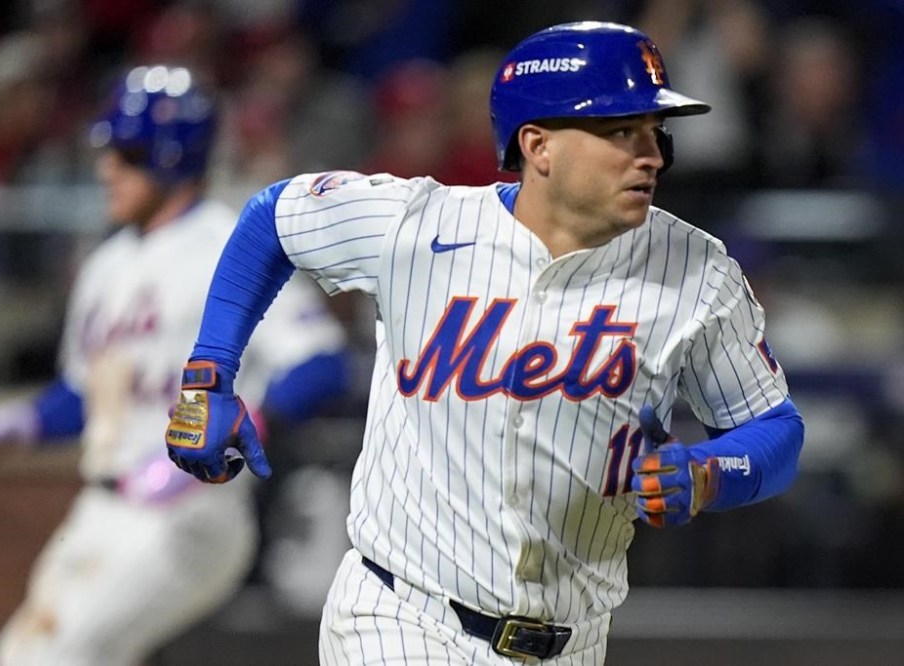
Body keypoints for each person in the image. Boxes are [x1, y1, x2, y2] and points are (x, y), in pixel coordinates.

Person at [165, 22, 805, 665]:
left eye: (654, 131)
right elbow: (273, 218)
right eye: (621, 133)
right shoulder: (419, 225)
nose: (653, 155)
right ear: (539, 146)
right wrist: (208, 376)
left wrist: (708, 475)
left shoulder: (695, 269)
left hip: (572, 641)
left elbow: (775, 429)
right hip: (401, 617)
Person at [0, 64, 350, 665]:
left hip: (191, 508)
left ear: (171, 156)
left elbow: (321, 364)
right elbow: (91, 392)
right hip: (102, 502)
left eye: (126, 153)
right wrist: (19, 423)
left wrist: (242, 428)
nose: (107, 167)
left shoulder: (229, 243)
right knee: (21, 651)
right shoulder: (106, 263)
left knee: (55, 656)